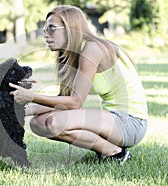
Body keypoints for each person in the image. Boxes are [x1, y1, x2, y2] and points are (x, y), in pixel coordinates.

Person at [9, 5, 148, 165]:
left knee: (55, 123)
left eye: (51, 28)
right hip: (112, 119)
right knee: (37, 124)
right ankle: (108, 149)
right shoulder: (72, 54)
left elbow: (75, 102)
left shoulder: (92, 49)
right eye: (45, 29)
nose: (45, 33)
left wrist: (31, 97)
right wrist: (25, 110)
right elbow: (64, 101)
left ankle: (115, 153)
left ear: (70, 28)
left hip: (130, 123)